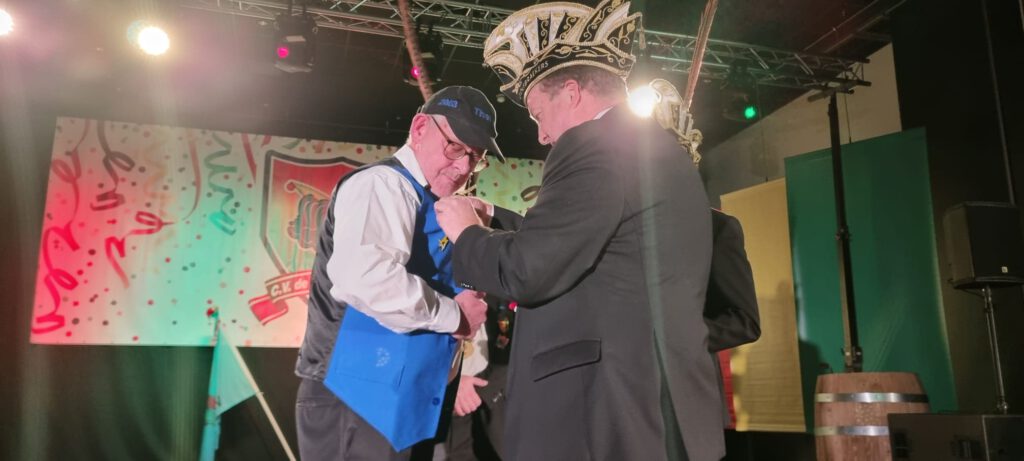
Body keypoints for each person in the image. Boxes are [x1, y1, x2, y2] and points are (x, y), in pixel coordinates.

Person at [434, 1, 726, 460]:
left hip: (599, 413)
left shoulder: (591, 145)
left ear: (570, 93)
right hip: (651, 405)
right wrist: (498, 216)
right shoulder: (659, 151)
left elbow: (529, 272)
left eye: (537, 113)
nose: (542, 135)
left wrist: (466, 232)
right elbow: (602, 245)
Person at [294, 85, 504, 461]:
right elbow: (365, 277)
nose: (464, 167)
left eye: (476, 157)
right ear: (420, 128)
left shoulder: (437, 203)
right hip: (357, 398)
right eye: (455, 147)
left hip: (405, 401)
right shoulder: (382, 184)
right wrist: (455, 315)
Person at [442, 206, 522, 461]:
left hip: (495, 403)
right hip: (445, 412)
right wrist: (454, 384)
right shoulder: (427, 290)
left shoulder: (497, 288)